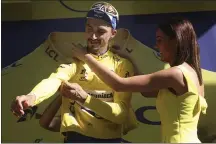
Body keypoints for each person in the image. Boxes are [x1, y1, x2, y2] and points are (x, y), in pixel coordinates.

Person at [10, 1, 137, 143]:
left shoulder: (122, 65)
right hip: (76, 137)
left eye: (100, 31)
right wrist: (32, 97)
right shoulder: (75, 61)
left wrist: (84, 98)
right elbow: (54, 79)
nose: (93, 36)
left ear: (113, 33)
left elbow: (120, 115)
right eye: (89, 29)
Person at [67, 17, 208, 143]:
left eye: (160, 40)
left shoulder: (175, 74)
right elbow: (147, 92)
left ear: (175, 41)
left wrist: (86, 57)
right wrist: (129, 60)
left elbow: (118, 84)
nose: (156, 46)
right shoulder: (194, 74)